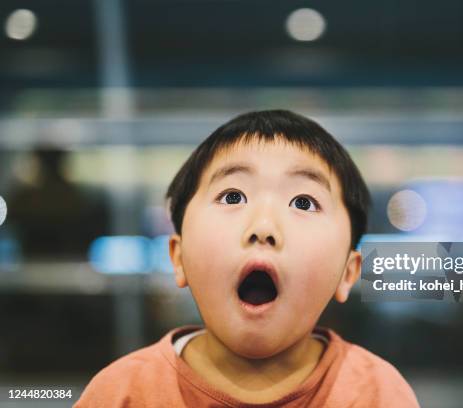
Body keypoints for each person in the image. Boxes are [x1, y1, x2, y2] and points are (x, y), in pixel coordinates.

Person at [76, 110, 420, 407]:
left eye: (303, 202)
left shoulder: (378, 394)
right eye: (232, 196)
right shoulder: (120, 394)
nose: (264, 227)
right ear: (178, 258)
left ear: (348, 272)